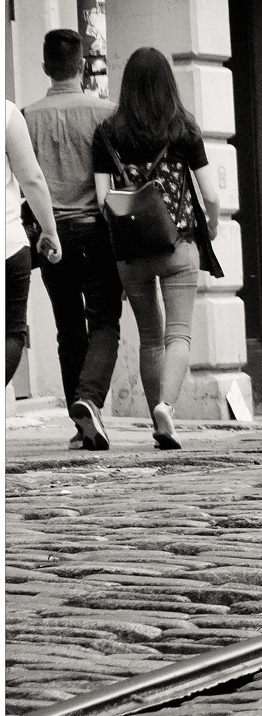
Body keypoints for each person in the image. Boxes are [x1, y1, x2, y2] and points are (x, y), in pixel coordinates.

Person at [91, 47, 224, 451]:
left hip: (130, 251)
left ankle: (156, 417)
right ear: (168, 83)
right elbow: (211, 194)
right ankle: (166, 408)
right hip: (178, 244)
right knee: (178, 335)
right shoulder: (183, 128)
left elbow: (102, 201)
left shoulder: (107, 132)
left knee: (149, 337)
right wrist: (212, 226)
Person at [21, 30, 120, 448]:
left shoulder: (26, 117)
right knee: (104, 322)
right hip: (98, 233)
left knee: (68, 328)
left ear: (45, 67)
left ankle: (80, 425)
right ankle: (88, 400)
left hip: (50, 238)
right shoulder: (107, 114)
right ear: (82, 66)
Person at [6, 101, 63, 386]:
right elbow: (32, 179)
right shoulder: (6, 113)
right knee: (11, 333)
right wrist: (49, 230)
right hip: (8, 245)